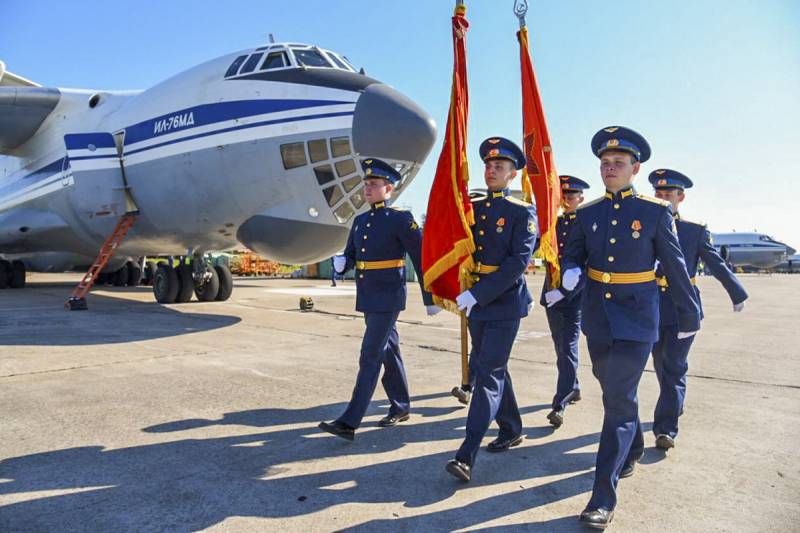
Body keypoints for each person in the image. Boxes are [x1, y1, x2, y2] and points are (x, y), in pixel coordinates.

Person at [547, 126, 701, 529]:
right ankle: (632, 446)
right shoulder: (587, 212)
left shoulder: (653, 212)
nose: (609, 168)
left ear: (635, 168)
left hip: (637, 317)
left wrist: (689, 317)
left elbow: (675, 267)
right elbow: (573, 254)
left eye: (618, 163)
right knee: (612, 389)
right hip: (598, 316)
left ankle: (601, 498)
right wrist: (571, 271)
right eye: (604, 163)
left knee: (616, 402)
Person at [318, 158, 440, 441]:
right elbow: (351, 255)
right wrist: (342, 263)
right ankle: (401, 405)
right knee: (388, 350)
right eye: (366, 184)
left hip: (389, 296)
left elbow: (420, 259)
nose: (367, 189)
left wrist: (429, 296)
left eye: (373, 185)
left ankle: (349, 421)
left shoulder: (400, 219)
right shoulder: (360, 221)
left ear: (389, 188)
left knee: (370, 354)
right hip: (368, 295)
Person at [445, 137, 537, 482]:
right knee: (493, 366)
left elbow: (517, 263)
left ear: (513, 174)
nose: (491, 170)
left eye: (499, 166)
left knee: (487, 374)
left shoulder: (521, 211)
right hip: (476, 301)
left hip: (504, 303)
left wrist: (479, 293)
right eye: (488, 165)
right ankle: (511, 427)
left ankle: (466, 453)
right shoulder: (474, 208)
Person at [649, 169, 748, 450]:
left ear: (681, 198)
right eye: (658, 193)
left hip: (683, 307)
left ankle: (665, 429)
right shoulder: (640, 222)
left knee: (674, 366)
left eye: (668, 194)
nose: (663, 198)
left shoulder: (694, 229)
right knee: (660, 363)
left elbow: (715, 263)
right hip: (651, 306)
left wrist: (736, 292)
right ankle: (673, 402)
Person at [541, 175, 590, 428]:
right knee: (559, 345)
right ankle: (574, 386)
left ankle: (561, 402)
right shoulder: (554, 223)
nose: (567, 200)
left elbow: (587, 264)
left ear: (581, 198)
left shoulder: (586, 223)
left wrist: (565, 292)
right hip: (551, 293)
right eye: (564, 196)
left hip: (573, 296)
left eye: (571, 196)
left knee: (567, 347)